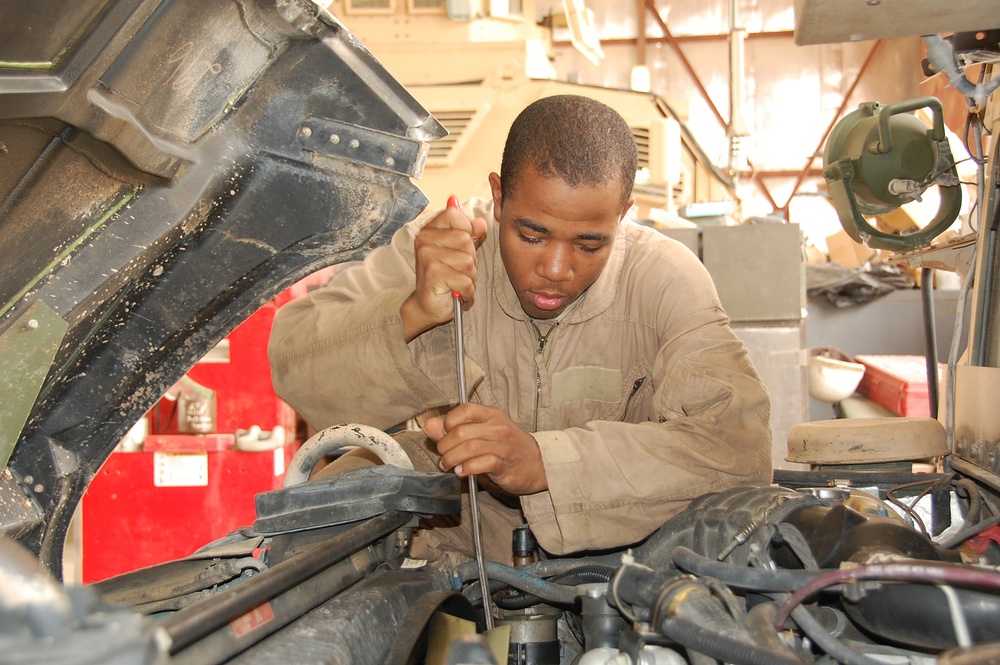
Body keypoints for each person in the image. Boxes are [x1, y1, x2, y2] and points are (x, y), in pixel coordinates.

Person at [268, 94, 772, 565]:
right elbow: (295, 367)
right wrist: (415, 309)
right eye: (531, 234)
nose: (555, 268)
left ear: (624, 214)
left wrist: (546, 462)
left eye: (590, 245)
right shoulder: (443, 248)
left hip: (621, 544)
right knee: (335, 504)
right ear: (499, 194)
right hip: (458, 523)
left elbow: (739, 449)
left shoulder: (665, 280)